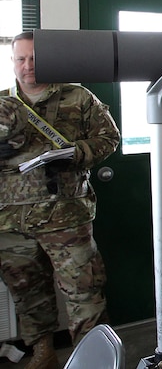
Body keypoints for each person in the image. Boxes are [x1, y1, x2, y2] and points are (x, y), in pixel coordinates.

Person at [0, 31, 120, 369]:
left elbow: (109, 138)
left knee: (84, 290)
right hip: (10, 221)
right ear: (12, 61)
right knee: (27, 292)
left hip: (66, 216)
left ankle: (93, 358)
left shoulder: (77, 97)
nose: (27, 66)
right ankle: (43, 351)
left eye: (35, 58)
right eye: (21, 58)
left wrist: (77, 153)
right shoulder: (2, 102)